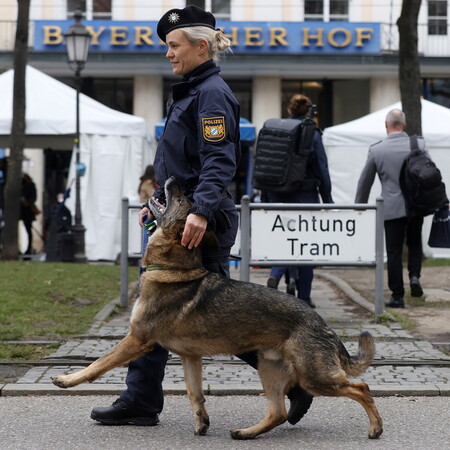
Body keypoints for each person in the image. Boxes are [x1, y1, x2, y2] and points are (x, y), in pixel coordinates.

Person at [90, 5, 313, 427]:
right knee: (159, 311)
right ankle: (140, 399)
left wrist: (202, 213)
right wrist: (156, 204)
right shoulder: (191, 90)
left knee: (217, 318)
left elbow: (218, 160)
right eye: (167, 46)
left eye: (174, 46)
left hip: (200, 223)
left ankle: (298, 381)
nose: (168, 53)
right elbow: (178, 165)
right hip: (180, 216)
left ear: (200, 46)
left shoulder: (210, 93)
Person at [266, 94, 334, 308]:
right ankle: (304, 296)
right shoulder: (311, 132)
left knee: (281, 237)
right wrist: (327, 198)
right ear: (308, 112)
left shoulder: (276, 129)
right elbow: (321, 167)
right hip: (305, 194)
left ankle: (276, 274)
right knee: (305, 242)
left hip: (276, 194)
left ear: (289, 110)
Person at [355, 109, 425, 308]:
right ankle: (414, 276)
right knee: (414, 243)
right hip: (415, 205)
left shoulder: (377, 150)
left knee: (393, 252)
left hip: (392, 208)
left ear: (387, 126)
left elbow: (365, 183)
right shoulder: (418, 144)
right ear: (404, 125)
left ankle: (397, 296)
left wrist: (359, 207)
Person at [20, 173, 38, 254]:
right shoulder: (23, 185)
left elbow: (33, 198)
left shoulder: (30, 186)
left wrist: (28, 202)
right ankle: (28, 248)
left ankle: (29, 248)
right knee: (28, 230)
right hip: (23, 211)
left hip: (27, 211)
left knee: (28, 230)